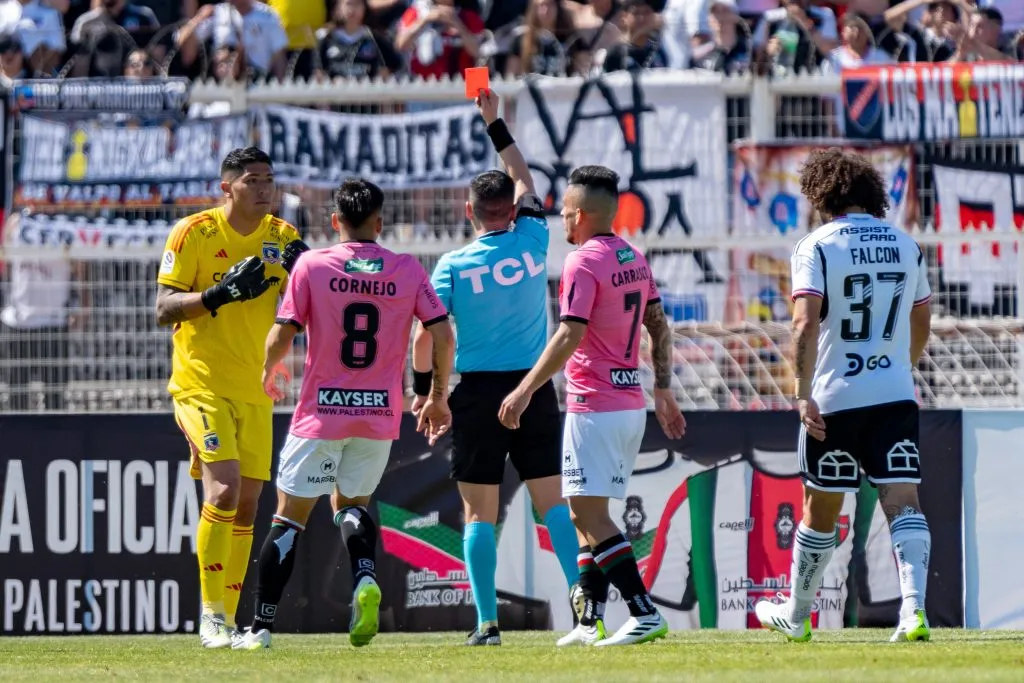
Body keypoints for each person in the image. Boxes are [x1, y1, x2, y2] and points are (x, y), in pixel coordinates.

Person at [233, 178, 454, 650]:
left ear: (335, 221)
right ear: (379, 222)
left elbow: (281, 332)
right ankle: (365, 578)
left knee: (289, 519)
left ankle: (262, 628)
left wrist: (269, 370)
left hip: (321, 413)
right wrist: (437, 394)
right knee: (350, 507)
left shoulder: (312, 265)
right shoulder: (407, 269)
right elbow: (441, 332)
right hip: (378, 415)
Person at [410, 90, 583, 647]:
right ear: (512, 209)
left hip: (479, 395)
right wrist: (494, 121)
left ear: (469, 212)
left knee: (478, 514)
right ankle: (585, 609)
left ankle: (486, 623)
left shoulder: (453, 265)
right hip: (534, 388)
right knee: (553, 504)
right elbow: (526, 178)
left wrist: (426, 393)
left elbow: (425, 337)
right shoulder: (534, 238)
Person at [498, 164, 686, 647]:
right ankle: (589, 620)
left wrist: (524, 390)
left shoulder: (582, 262)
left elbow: (570, 332)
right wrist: (663, 389)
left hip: (596, 405)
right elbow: (659, 326)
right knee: (588, 515)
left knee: (587, 514)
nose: (561, 219)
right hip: (628, 403)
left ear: (579, 215)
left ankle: (644, 612)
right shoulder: (633, 258)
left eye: (563, 211)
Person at [754, 148, 933, 643]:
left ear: (821, 193)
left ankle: (798, 614)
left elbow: (803, 321)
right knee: (903, 500)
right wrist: (903, 366)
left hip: (834, 397)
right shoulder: (904, 243)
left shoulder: (816, 245)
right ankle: (913, 611)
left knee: (821, 508)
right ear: (870, 193)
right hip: (894, 393)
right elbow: (921, 320)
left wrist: (800, 391)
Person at [154, 146, 308, 648]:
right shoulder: (193, 233)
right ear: (227, 187)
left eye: (269, 179)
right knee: (221, 490)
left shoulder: (283, 238)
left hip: (257, 389)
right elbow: (163, 308)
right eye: (252, 180)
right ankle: (210, 616)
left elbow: (312, 302)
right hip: (201, 383)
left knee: (247, 504)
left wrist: (307, 271)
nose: (264, 189)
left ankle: (233, 618)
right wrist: (216, 296)